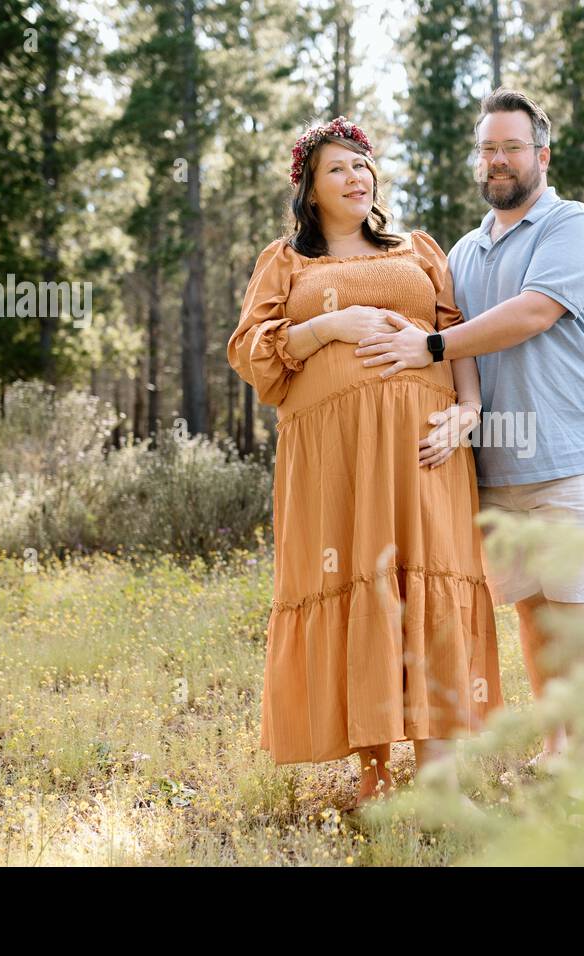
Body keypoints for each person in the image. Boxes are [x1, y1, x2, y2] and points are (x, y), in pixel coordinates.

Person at [353, 88, 584, 768]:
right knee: (535, 619)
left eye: (512, 147)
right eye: (488, 149)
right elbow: (461, 345)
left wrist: (428, 346)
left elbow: (532, 313)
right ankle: (555, 752)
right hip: (496, 472)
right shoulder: (462, 253)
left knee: (578, 620)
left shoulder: (573, 225)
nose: (499, 160)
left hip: (580, 456)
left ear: (540, 155)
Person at [226, 116, 502, 807]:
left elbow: (454, 334)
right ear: (310, 190)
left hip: (425, 448)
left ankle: (438, 780)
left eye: (362, 165)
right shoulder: (287, 263)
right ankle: (375, 779)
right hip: (335, 461)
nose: (356, 178)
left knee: (430, 578)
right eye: (337, 169)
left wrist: (466, 416)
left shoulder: (418, 249)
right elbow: (250, 352)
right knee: (358, 580)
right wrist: (327, 327)